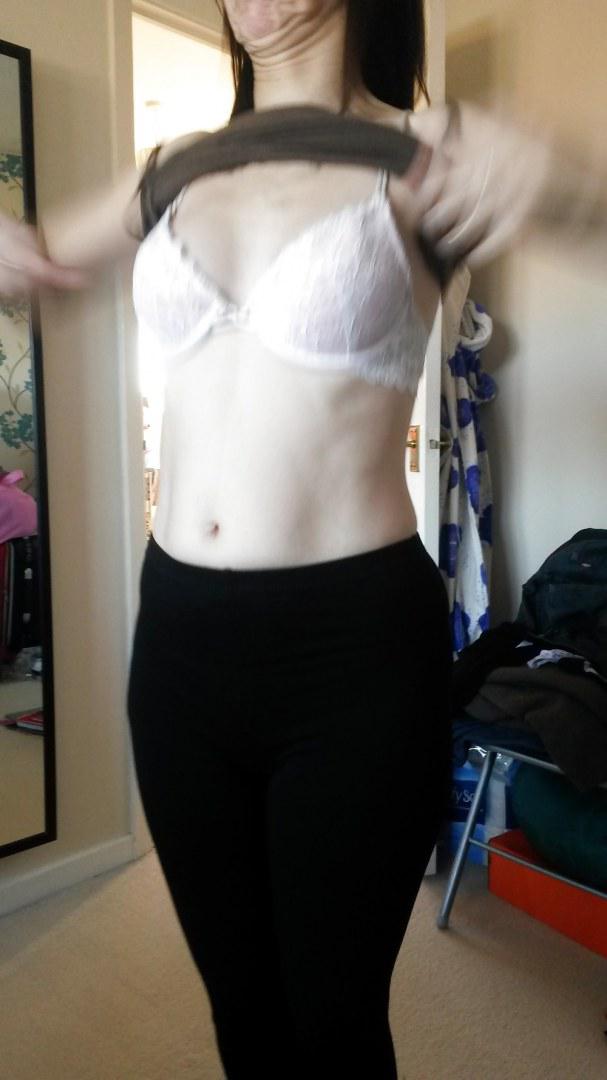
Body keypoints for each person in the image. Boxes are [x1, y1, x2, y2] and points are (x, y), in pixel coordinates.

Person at [0, 2, 603, 1077]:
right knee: (241, 1015)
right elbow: (30, 261)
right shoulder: (174, 167)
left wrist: (563, 187)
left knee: (334, 1027)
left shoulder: (426, 150)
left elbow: (586, 215)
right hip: (180, 644)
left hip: (350, 654)